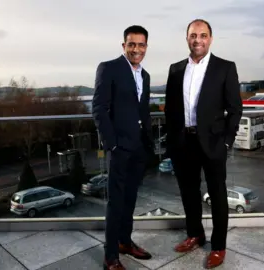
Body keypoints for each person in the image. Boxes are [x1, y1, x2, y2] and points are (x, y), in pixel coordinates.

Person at [164, 19, 242, 269]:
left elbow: (235, 108)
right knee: (189, 193)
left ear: (210, 38)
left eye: (203, 35)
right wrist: (172, 139)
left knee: (218, 196)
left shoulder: (225, 68)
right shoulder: (175, 69)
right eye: (193, 35)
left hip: (213, 143)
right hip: (182, 142)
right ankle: (195, 235)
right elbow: (170, 110)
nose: (197, 40)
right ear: (186, 38)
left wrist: (227, 142)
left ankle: (218, 246)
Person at [92, 25, 154, 270]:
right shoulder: (109, 68)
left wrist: (148, 141)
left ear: (146, 47)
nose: (136, 49)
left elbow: (143, 110)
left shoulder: (145, 76)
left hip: (139, 147)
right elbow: (98, 109)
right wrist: (112, 145)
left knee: (130, 198)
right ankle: (110, 257)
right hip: (119, 148)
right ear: (124, 45)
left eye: (140, 45)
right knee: (115, 202)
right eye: (131, 44)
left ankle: (125, 242)